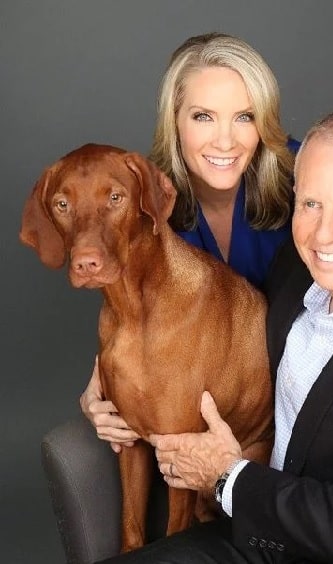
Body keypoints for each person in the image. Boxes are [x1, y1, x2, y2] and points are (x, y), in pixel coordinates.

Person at [99, 109, 333, 564]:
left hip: (324, 550)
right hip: (246, 530)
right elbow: (200, 307)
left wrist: (226, 476)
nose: (324, 233)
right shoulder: (298, 265)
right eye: (311, 204)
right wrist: (105, 372)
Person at [80, 32, 299, 451]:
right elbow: (135, 318)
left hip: (297, 400)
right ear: (174, 119)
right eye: (203, 116)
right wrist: (98, 386)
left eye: (244, 116)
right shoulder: (146, 199)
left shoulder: (305, 176)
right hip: (203, 408)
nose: (225, 141)